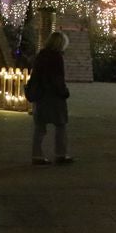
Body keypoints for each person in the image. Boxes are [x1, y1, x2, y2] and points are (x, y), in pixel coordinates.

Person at [29, 31, 73, 165]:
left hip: (40, 95)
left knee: (40, 127)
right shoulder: (57, 57)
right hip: (54, 96)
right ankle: (61, 154)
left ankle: (37, 155)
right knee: (61, 125)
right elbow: (58, 79)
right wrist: (64, 92)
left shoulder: (41, 55)